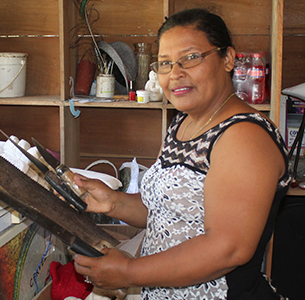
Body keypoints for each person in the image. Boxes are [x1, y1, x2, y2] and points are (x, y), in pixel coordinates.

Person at [72, 8, 291, 299]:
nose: (175, 73)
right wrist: (112, 202)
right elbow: (168, 212)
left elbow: (229, 248)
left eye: (191, 57)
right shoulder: (184, 123)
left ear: (227, 59)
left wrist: (128, 272)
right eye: (165, 63)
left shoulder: (245, 137)